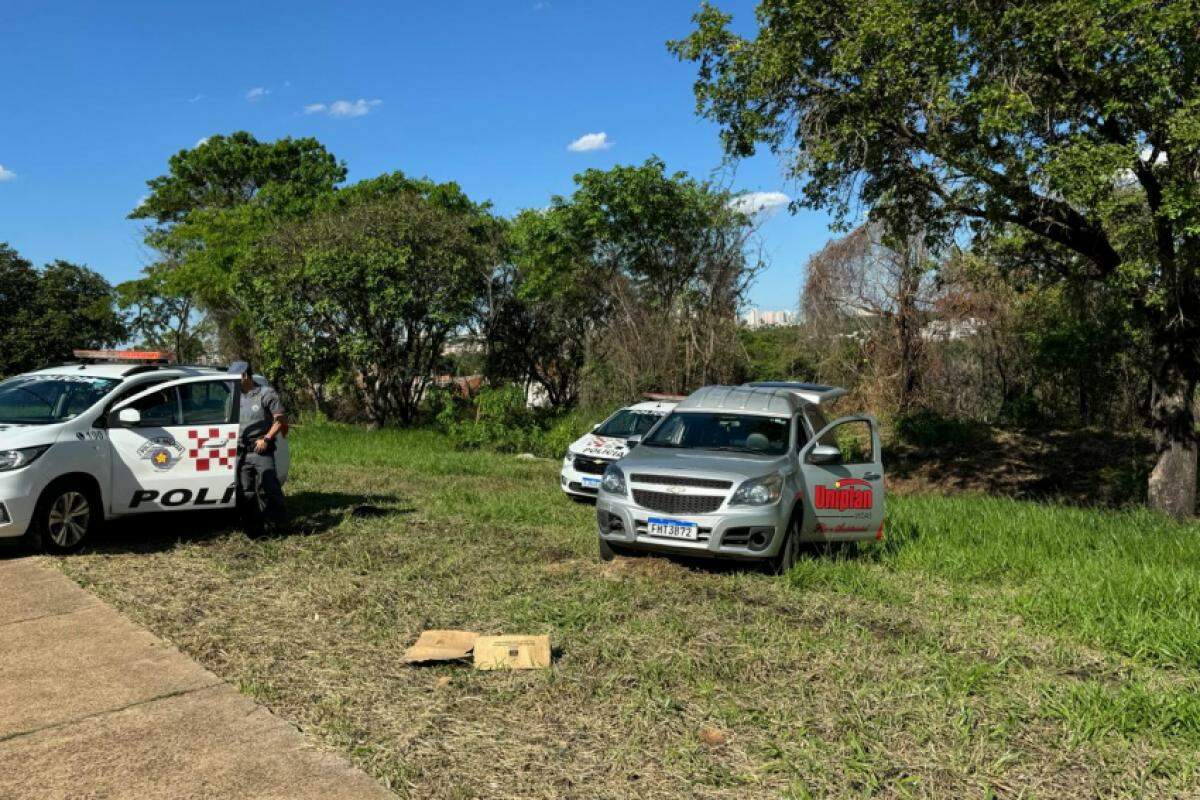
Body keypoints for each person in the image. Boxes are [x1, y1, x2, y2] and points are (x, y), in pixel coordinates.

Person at [229, 361, 287, 532]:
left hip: (261, 450)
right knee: (245, 491)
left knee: (270, 488)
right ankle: (252, 525)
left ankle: (279, 524)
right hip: (241, 452)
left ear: (245, 375)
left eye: (234, 377)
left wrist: (267, 439)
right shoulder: (234, 396)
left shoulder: (265, 393)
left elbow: (280, 420)